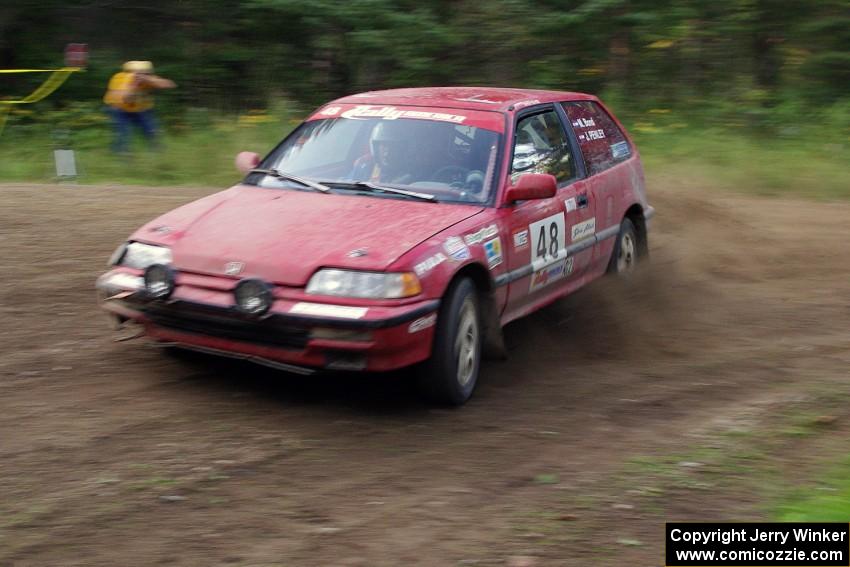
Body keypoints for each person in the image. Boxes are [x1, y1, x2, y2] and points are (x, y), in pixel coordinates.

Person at [103, 61, 176, 153]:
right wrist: (134, 85)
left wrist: (149, 80)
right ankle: (121, 152)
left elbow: (169, 84)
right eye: (140, 73)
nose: (142, 76)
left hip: (140, 109)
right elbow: (126, 99)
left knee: (151, 130)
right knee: (123, 132)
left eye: (146, 73)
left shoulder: (149, 78)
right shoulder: (120, 78)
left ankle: (157, 151)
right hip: (119, 109)